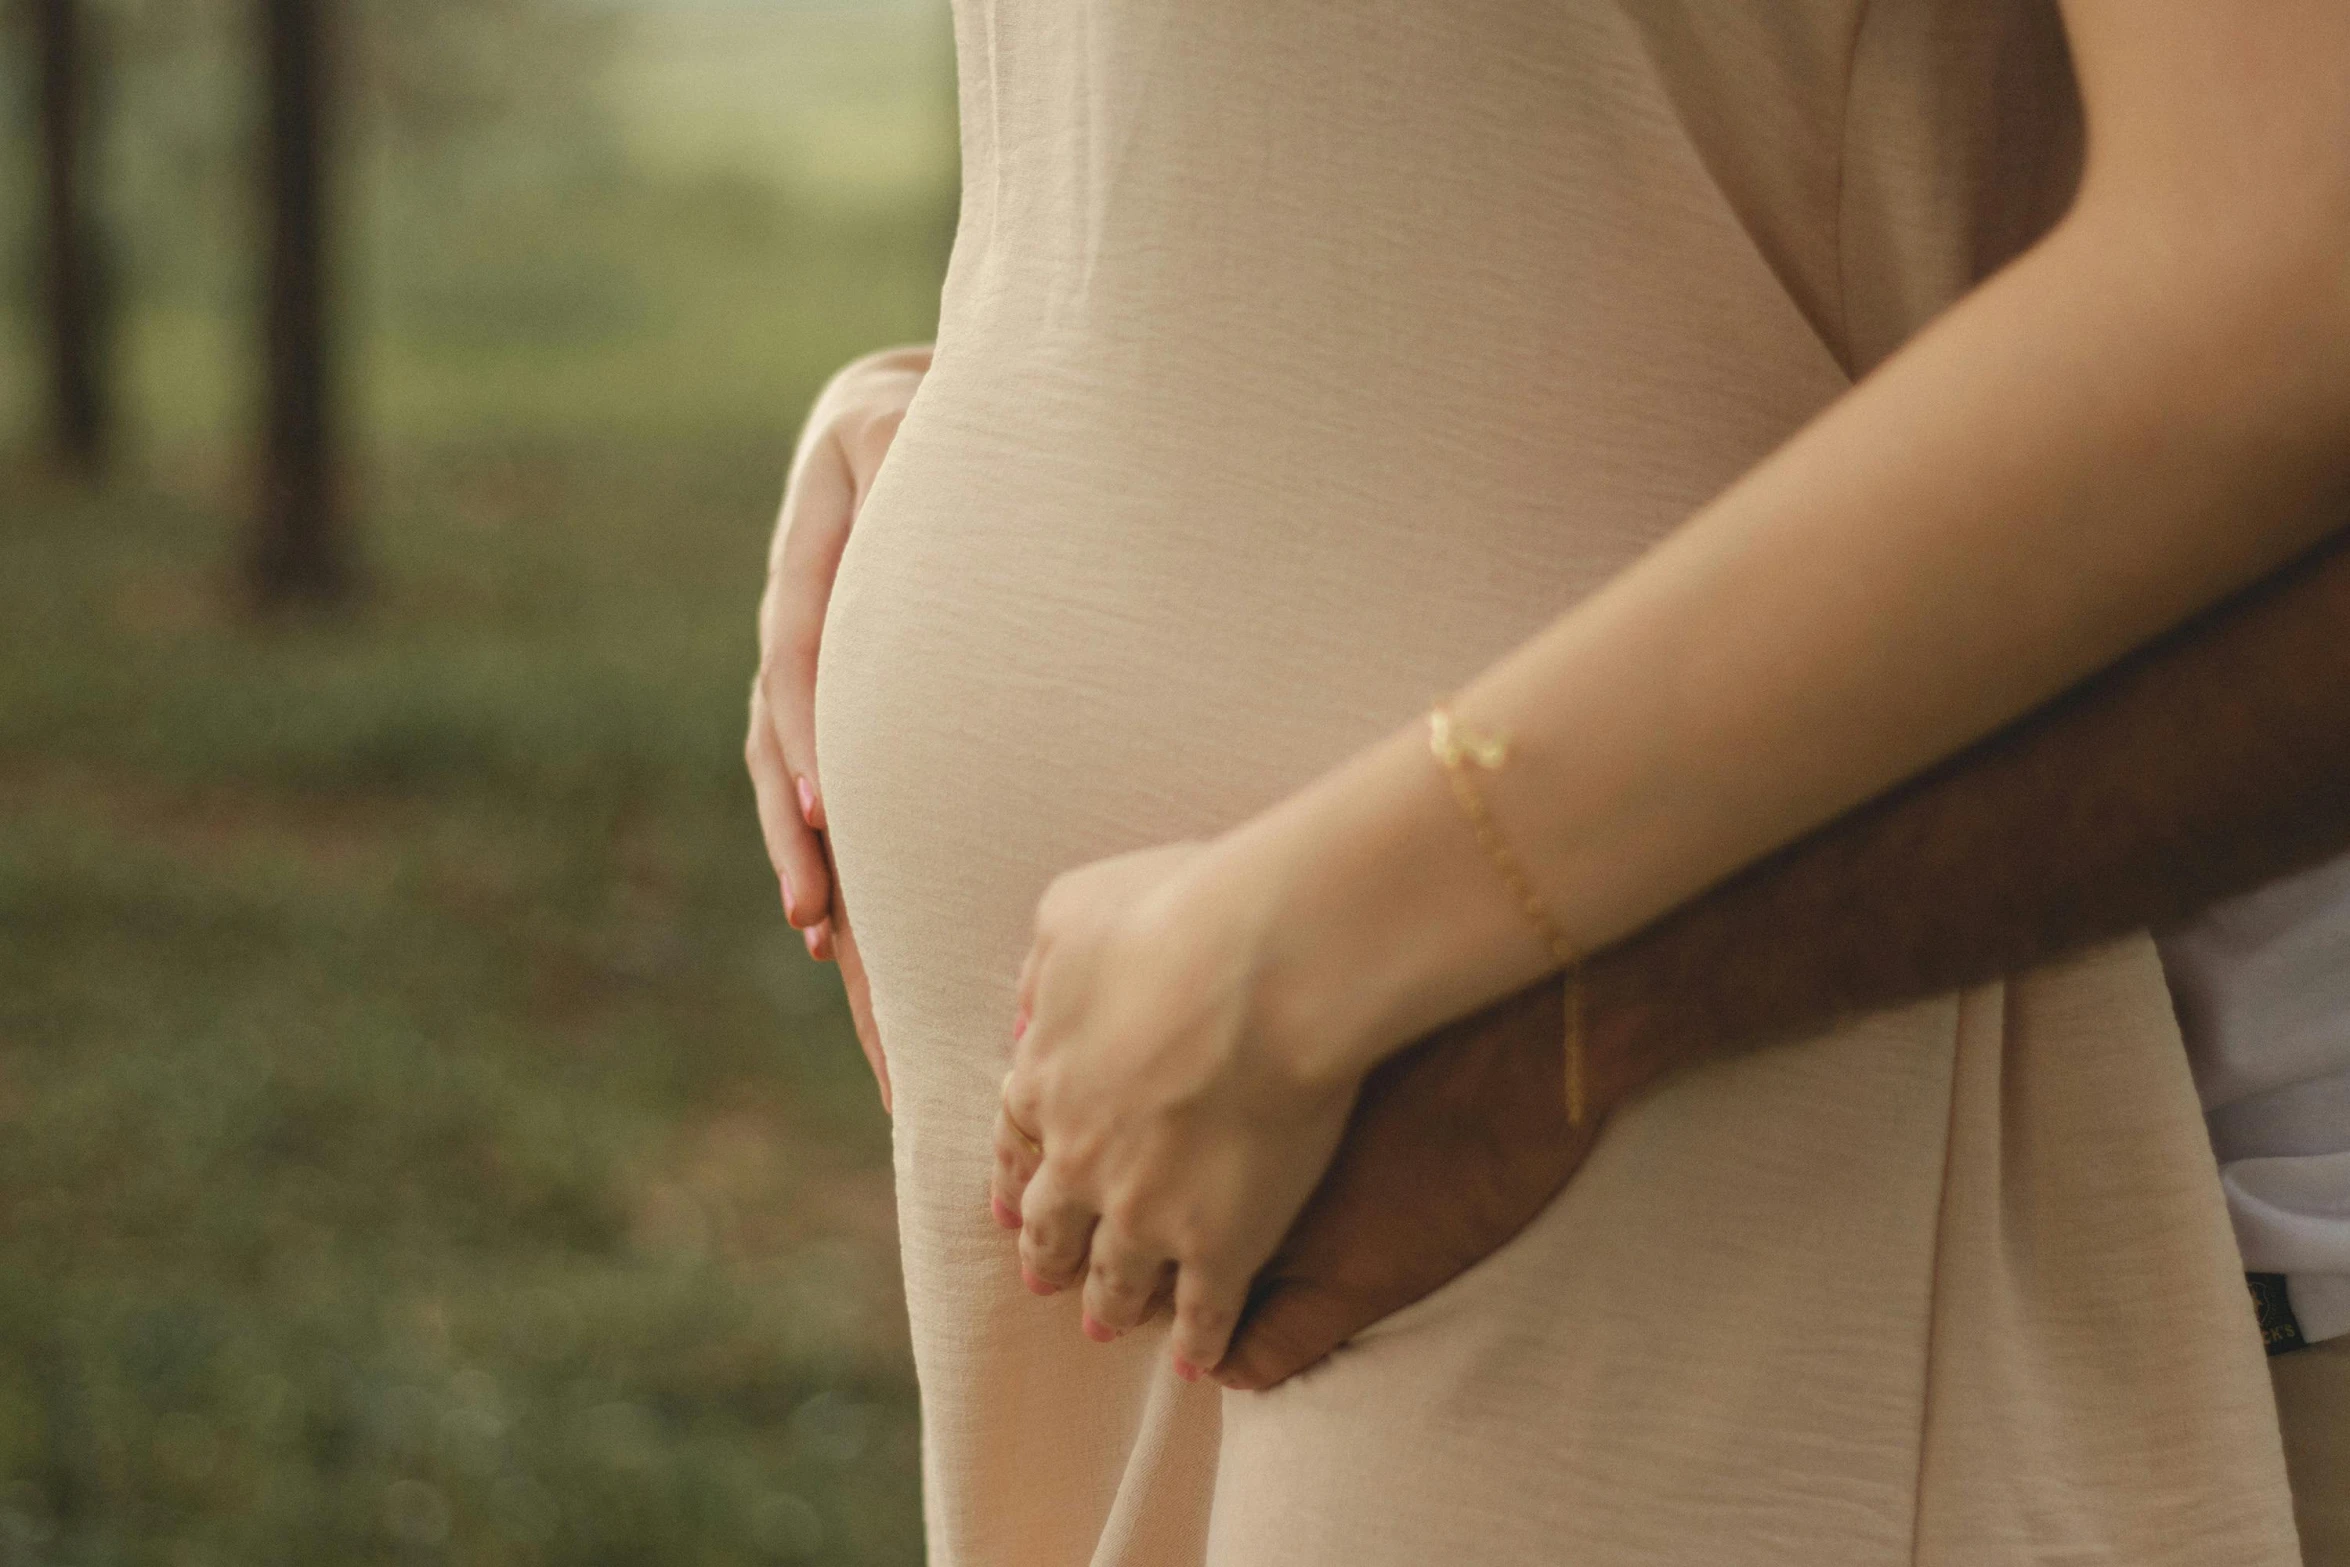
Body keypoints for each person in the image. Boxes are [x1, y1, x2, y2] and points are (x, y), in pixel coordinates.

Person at [746, 3, 2350, 1561]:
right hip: (1224, 1115)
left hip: (1641, 1135)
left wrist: (1376, 941)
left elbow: (2289, 253)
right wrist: (1014, 365)